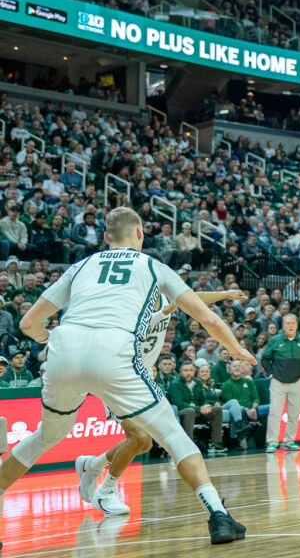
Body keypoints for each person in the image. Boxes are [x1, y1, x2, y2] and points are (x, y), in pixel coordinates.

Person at [0, 207, 253, 544]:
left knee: (44, 437)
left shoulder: (79, 265)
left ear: (105, 237)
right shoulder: (154, 267)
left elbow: (28, 323)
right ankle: (217, 515)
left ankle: (100, 478)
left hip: (64, 350)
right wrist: (236, 349)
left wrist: (53, 343)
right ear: (141, 232)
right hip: (115, 355)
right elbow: (210, 320)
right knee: (173, 437)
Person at [74, 282, 244, 516]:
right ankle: (105, 491)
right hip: (116, 374)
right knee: (140, 437)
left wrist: (225, 293)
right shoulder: (128, 302)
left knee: (142, 443)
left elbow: (194, 297)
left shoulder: (165, 298)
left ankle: (92, 465)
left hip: (140, 378)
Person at [261, 313, 300, 453]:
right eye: (287, 323)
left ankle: (289, 441)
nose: (290, 326)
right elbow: (265, 359)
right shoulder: (274, 340)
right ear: (283, 325)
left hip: (297, 382)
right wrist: (271, 374)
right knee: (275, 412)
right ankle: (272, 442)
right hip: (278, 382)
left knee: (294, 413)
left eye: (293, 323)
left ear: (297, 325)